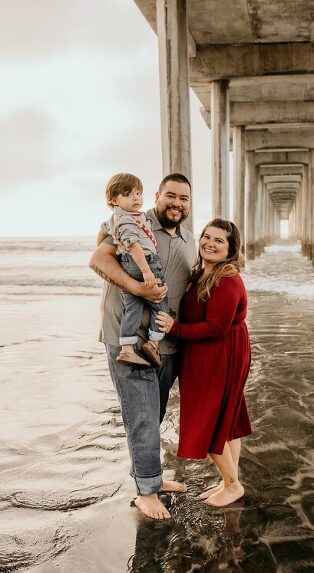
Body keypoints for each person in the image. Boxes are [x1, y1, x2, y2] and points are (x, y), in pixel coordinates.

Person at [89, 173, 196, 520]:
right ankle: (146, 492)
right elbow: (99, 260)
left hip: (164, 343)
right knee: (141, 415)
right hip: (127, 335)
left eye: (184, 198)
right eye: (170, 195)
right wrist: (137, 289)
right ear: (157, 195)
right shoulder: (132, 218)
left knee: (155, 413)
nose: (176, 203)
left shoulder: (188, 239)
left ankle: (152, 477)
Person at [155, 219, 252, 508]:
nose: (210, 243)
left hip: (218, 353)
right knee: (228, 421)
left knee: (209, 421)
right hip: (212, 352)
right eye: (206, 237)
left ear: (231, 248)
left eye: (219, 240)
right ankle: (229, 481)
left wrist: (174, 328)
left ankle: (233, 486)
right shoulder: (204, 272)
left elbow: (215, 328)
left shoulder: (226, 279)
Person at [99, 173, 168, 367]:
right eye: (128, 194)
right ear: (114, 199)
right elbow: (134, 246)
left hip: (129, 264)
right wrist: (146, 272)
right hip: (144, 261)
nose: (136, 198)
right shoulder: (127, 221)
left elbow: (103, 229)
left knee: (133, 307)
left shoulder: (117, 218)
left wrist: (101, 244)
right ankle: (153, 343)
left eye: (139, 193)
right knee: (160, 301)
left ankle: (127, 349)